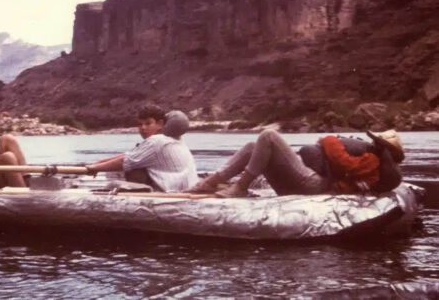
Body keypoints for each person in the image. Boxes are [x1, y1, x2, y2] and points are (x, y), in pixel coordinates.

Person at [188, 129, 404, 198]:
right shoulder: (373, 161)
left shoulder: (373, 162)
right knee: (253, 146)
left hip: (314, 186)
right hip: (308, 184)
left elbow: (342, 163)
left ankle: (240, 187)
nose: (375, 144)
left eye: (378, 142)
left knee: (269, 135)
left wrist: (328, 139)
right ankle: (213, 181)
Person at [85, 107, 198, 192]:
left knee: (131, 171)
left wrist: (94, 168)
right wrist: (101, 162)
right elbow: (131, 155)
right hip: (185, 189)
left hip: (173, 194)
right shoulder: (176, 140)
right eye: (140, 124)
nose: (143, 128)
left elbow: (125, 161)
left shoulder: (156, 141)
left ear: (160, 124)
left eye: (148, 123)